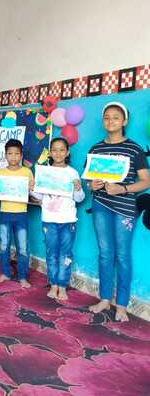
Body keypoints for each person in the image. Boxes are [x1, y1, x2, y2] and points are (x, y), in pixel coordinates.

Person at [87, 102, 150, 321]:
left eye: (115, 117)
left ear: (125, 121)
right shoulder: (96, 149)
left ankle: (121, 305)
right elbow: (89, 179)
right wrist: (91, 185)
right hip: (100, 206)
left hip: (124, 208)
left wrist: (122, 189)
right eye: (106, 117)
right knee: (105, 253)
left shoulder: (134, 149)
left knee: (122, 255)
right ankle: (105, 299)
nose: (110, 121)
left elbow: (146, 181)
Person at [31, 138, 85, 300]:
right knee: (51, 253)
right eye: (54, 150)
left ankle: (62, 286)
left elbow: (80, 198)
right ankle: (53, 284)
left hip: (68, 220)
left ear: (67, 152)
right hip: (49, 219)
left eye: (62, 150)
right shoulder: (44, 172)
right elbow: (39, 196)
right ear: (50, 153)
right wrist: (31, 188)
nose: (58, 153)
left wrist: (78, 189)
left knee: (65, 254)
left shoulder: (72, 173)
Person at [0, 138, 34, 288]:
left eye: (16, 154)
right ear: (5, 155)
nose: (13, 157)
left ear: (21, 155)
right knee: (4, 245)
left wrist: (32, 188)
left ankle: (22, 276)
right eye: (10, 153)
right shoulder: (0, 172)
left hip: (21, 213)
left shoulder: (27, 172)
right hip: (5, 213)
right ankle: (5, 273)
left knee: (22, 246)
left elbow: (33, 193)